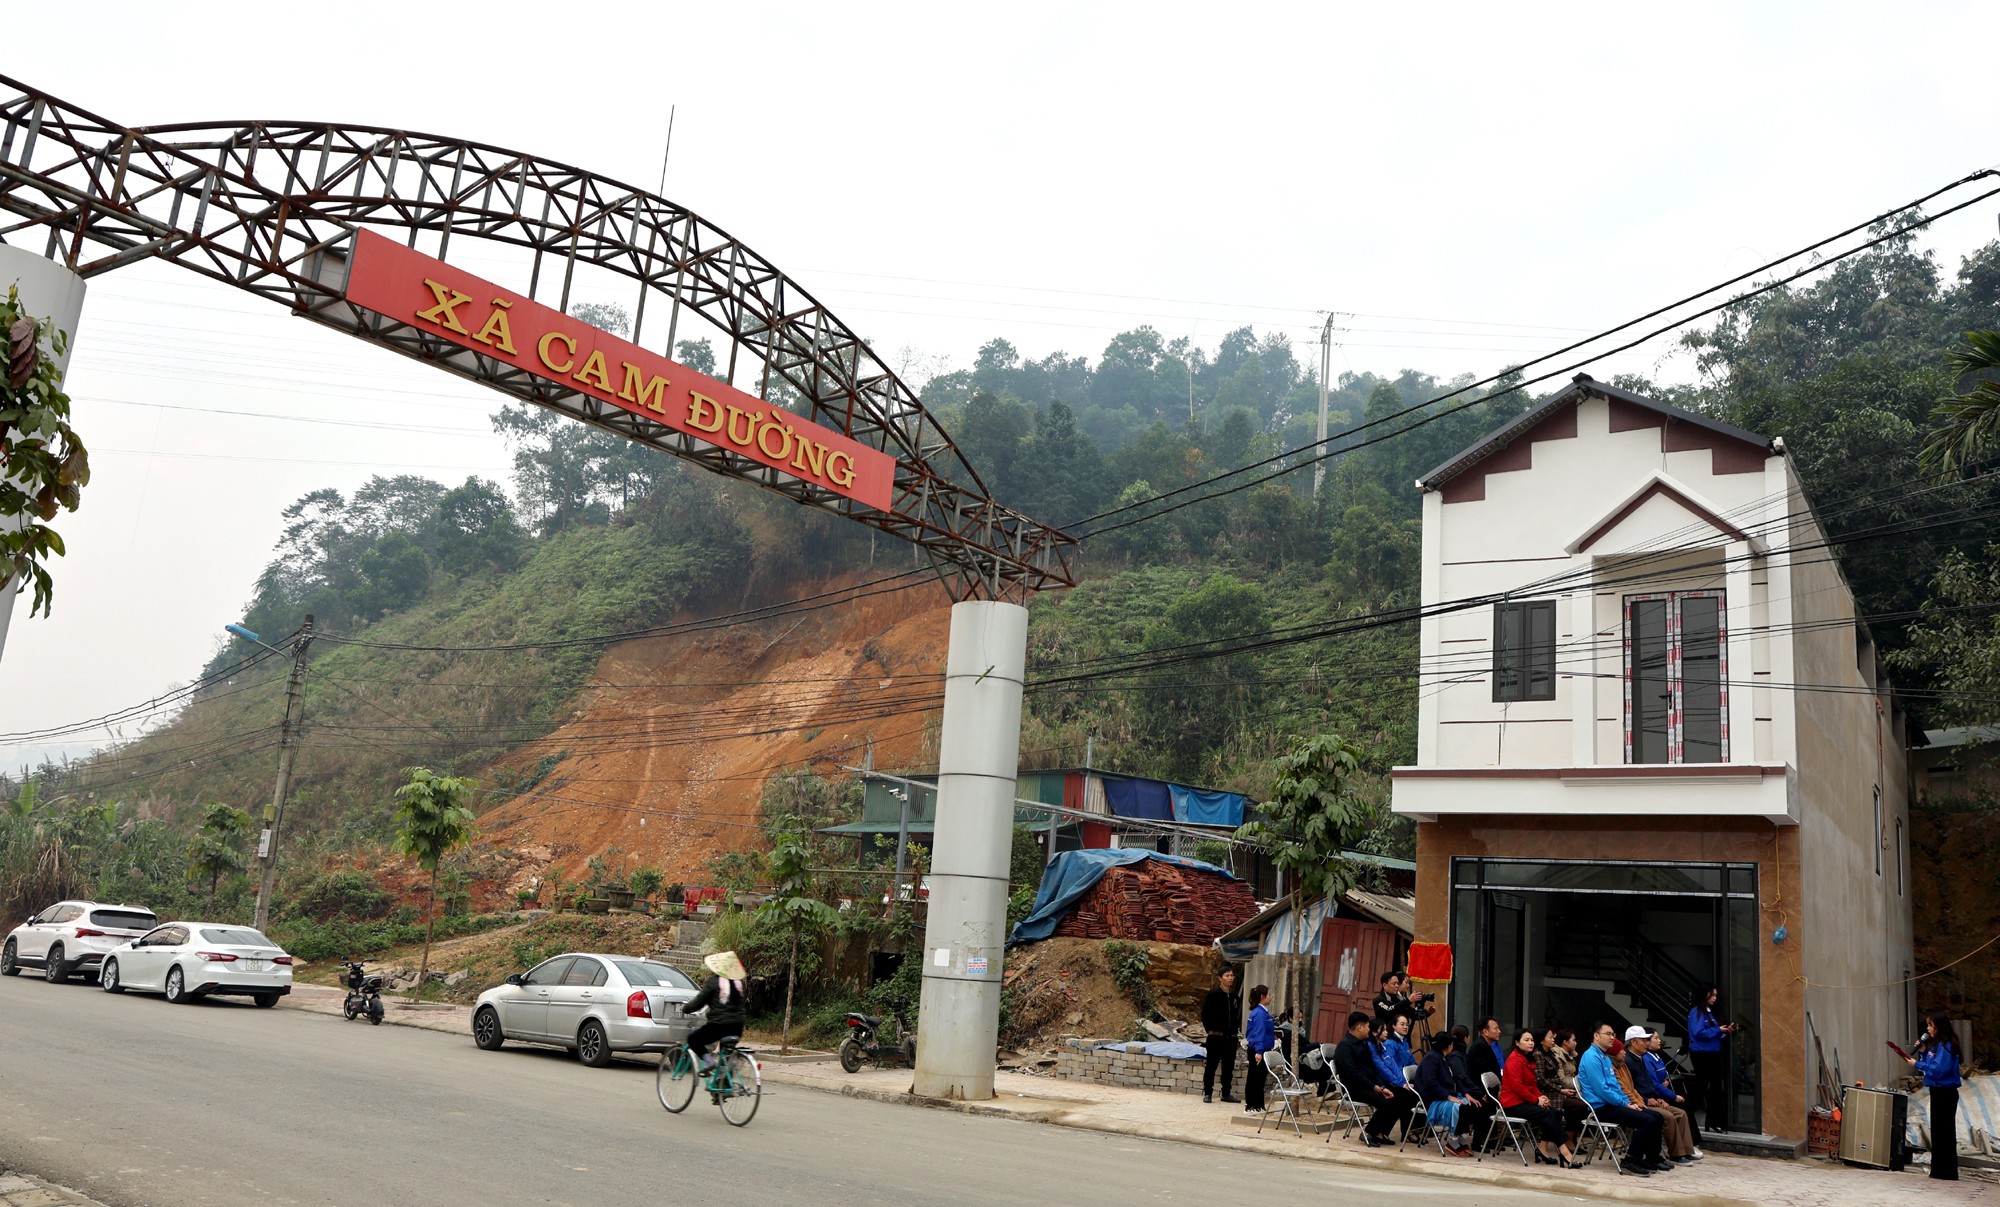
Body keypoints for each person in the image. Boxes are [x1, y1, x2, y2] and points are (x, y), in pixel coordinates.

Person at [1578, 1022, 1668, 1176]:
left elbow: (1615, 1086)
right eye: (1608, 1034)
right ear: (1596, 1035)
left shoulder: (1604, 1057)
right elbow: (1602, 1090)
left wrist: (1629, 1102)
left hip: (1613, 1104)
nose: (1612, 1037)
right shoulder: (1591, 1057)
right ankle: (1630, 1160)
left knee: (1656, 1116)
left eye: (1613, 1034)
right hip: (1601, 1108)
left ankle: (1651, 1158)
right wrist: (1625, 1103)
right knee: (1646, 1120)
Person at [1334, 1010, 1418, 1147]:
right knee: (1386, 1103)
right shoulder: (1345, 1046)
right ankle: (1369, 1132)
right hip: (1354, 1088)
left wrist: (1382, 1086)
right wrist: (1375, 1087)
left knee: (1401, 1095)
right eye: (1367, 1026)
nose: (1369, 1029)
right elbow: (1353, 1073)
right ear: (1360, 1027)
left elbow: (1373, 1069)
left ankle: (1381, 1132)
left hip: (1369, 1085)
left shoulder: (1363, 1043)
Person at [1501, 1027, 1579, 1167]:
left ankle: (1542, 1149)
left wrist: (1541, 1098)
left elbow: (1532, 1084)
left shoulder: (1528, 1058)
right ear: (1517, 1043)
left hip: (1525, 1101)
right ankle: (1565, 1152)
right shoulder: (1514, 1060)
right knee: (1548, 1114)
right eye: (1526, 1040)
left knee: (1554, 1112)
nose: (1530, 1043)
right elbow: (1517, 1087)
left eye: (1531, 1040)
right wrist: (1536, 1100)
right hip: (1512, 1104)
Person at [1613, 1035, 1696, 1163]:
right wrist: (1644, 1101)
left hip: (1645, 1099)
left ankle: (1686, 1150)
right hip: (1635, 1102)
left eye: (1648, 1040)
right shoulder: (1627, 1062)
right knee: (1664, 1116)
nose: (1647, 1043)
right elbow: (1626, 1088)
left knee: (1681, 1113)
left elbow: (1646, 1085)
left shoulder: (1638, 1060)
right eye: (1643, 1041)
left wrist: (1657, 1097)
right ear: (1634, 1043)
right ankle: (1672, 1154)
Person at [1906, 1011, 1962, 1181]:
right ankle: (1938, 1170)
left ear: (1939, 1026)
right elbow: (1930, 1065)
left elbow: (1939, 1070)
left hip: (1946, 1092)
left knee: (1945, 1133)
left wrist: (1917, 1063)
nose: (1928, 1028)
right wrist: (1922, 1052)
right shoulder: (1936, 1045)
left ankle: (1947, 1171)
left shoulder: (1947, 1046)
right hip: (1937, 1092)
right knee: (1938, 1132)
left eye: (1931, 1025)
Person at [681, 950, 748, 1072]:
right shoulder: (740, 984)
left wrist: (686, 1008)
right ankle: (725, 1085)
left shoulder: (713, 981)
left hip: (719, 1025)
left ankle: (709, 1061)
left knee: (693, 1039)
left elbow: (698, 1002)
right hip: (738, 1026)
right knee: (725, 1057)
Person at [1686, 984, 1737, 1134]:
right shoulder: (1697, 1012)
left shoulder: (1708, 1012)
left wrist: (1725, 1032)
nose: (1715, 998)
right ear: (1705, 995)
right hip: (1702, 1054)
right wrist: (1718, 1030)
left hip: (1712, 1052)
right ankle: (1688, 1117)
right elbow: (1698, 1032)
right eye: (1712, 995)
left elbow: (1713, 1034)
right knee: (1702, 1087)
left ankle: (1714, 1122)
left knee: (1715, 1089)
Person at [1415, 1033, 1476, 1155]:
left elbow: (1455, 1080)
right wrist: (1449, 1097)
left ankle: (1461, 1139)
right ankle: (1453, 1142)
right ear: (1449, 1046)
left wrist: (1466, 1094)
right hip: (1433, 1098)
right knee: (1460, 1107)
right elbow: (1430, 1082)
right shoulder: (1431, 1058)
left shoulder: (1443, 1057)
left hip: (1446, 1094)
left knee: (1472, 1104)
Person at [1535, 1028, 1588, 1139]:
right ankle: (1566, 1138)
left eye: (1553, 1036)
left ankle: (1570, 1139)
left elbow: (1557, 1077)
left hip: (1558, 1090)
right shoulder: (1538, 1054)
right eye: (1550, 1037)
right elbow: (1541, 1080)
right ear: (1541, 1040)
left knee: (1583, 1104)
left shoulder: (1550, 1053)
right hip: (1547, 1093)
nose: (1553, 1039)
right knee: (1578, 1106)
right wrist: (1560, 1090)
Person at [1200, 967, 1242, 1104]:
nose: (1230, 978)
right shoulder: (1213, 994)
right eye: (1227, 975)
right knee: (1211, 1065)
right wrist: (1210, 1030)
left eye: (1232, 975)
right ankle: (1208, 1092)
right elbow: (1205, 1015)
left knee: (1228, 1066)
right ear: (1220, 978)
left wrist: (1236, 1032)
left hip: (1231, 1038)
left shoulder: (1235, 996)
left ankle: (1226, 1093)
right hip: (1215, 1037)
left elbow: (1237, 1016)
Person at [1244, 984, 1275, 1113]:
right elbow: (1259, 1033)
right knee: (1255, 1078)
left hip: (1261, 1049)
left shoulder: (1261, 1012)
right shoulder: (1260, 1014)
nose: (1271, 997)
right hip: (1258, 1050)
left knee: (1260, 1078)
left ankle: (1259, 1105)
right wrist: (1259, 1051)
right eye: (1269, 995)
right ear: (1263, 996)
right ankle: (1251, 1105)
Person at [1467, 1016, 1505, 1089]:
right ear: (1485, 1032)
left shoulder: (1487, 1045)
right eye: (1495, 1028)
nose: (1499, 1031)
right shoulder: (1479, 1047)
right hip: (1483, 1090)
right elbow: (1485, 1071)